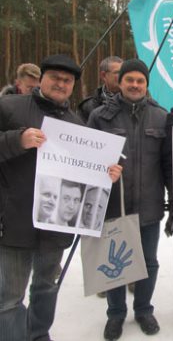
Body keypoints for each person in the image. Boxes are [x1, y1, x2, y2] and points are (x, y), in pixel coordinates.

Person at [0, 54, 122, 341]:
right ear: (41, 78)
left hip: (55, 226)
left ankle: (39, 334)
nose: (61, 84)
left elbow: (84, 173)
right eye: (55, 77)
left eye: (67, 81)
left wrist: (106, 174)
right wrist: (17, 140)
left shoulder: (76, 124)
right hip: (14, 222)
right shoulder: (9, 107)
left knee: (45, 288)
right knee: (9, 299)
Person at [88, 58, 173, 340]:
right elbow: (87, 163)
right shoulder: (100, 116)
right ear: (120, 83)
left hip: (149, 205)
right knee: (115, 263)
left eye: (140, 81)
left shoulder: (160, 117)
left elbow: (168, 165)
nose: (135, 85)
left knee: (149, 262)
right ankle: (115, 315)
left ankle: (143, 309)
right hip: (114, 205)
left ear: (146, 85)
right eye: (130, 80)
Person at [78, 56, 123, 123]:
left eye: (124, 72)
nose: (123, 76)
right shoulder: (88, 107)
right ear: (103, 75)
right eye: (117, 72)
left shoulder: (134, 104)